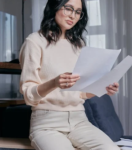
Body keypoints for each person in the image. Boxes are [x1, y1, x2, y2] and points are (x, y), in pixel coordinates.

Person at [19, 0, 120, 149]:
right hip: (47, 123)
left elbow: (80, 94)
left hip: (80, 120)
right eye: (68, 9)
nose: (73, 15)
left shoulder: (78, 44)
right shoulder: (34, 41)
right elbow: (28, 94)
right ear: (55, 7)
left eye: (78, 12)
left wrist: (102, 88)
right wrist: (54, 83)